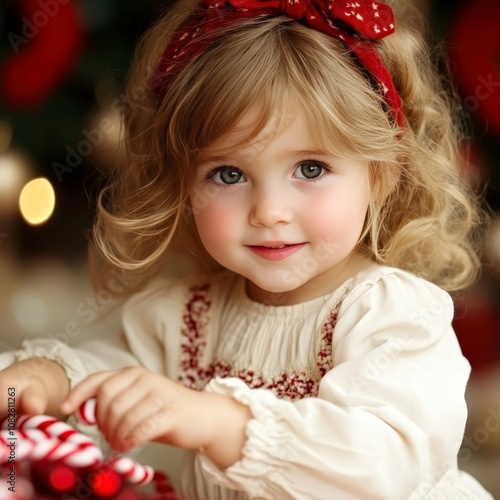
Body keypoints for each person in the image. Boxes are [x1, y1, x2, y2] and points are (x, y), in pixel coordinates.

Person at [0, 0, 494, 498]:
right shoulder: (185, 315)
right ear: (184, 189)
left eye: (311, 169)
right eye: (229, 174)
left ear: (382, 175)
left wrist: (222, 423)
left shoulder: (389, 314)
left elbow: (386, 464)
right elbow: (111, 382)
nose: (269, 211)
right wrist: (51, 379)